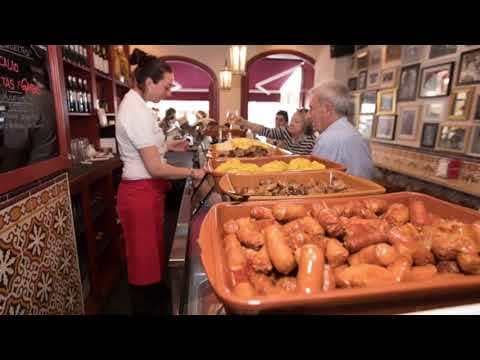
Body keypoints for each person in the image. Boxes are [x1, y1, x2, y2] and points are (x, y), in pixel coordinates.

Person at [116, 48, 205, 315]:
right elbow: (154, 167)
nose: (169, 93)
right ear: (149, 83)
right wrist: (192, 173)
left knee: (152, 261)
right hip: (139, 194)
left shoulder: (139, 105)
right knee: (143, 267)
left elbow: (145, 149)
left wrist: (168, 144)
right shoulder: (135, 110)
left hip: (147, 193)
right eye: (165, 87)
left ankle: (156, 301)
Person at [309, 81, 374, 179]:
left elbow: (314, 180)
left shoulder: (328, 139)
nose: (309, 115)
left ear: (327, 109)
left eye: (311, 108)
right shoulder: (354, 133)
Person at [237, 109, 316, 155]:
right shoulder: (286, 131)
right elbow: (266, 131)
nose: (291, 124)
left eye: (296, 122)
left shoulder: (311, 142)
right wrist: (244, 122)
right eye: (292, 120)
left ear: (306, 126)